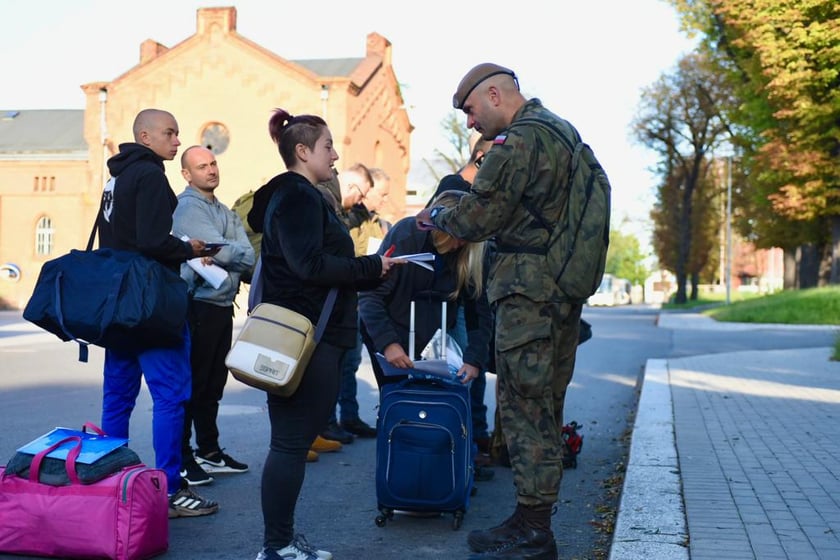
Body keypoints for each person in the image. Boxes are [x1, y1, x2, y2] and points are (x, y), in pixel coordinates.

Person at [416, 63, 594, 559]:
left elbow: (480, 215)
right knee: (544, 406)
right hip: (559, 291)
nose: (471, 123)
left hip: (527, 295)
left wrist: (436, 216)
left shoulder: (518, 142)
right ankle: (530, 517)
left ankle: (536, 530)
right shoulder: (563, 132)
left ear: (494, 94)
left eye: (472, 111)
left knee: (523, 408)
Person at [250, 108, 403, 560]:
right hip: (306, 335)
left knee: (290, 443)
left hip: (312, 333)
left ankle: (279, 542)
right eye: (328, 147)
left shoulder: (301, 194)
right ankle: (276, 545)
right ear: (302, 151)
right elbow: (309, 266)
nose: (336, 155)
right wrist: (371, 267)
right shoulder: (298, 196)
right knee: (290, 444)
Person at [97, 108, 219, 518]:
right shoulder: (149, 174)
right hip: (150, 304)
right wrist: (189, 249)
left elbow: (120, 238)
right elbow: (151, 240)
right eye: (170, 133)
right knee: (170, 396)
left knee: (117, 397)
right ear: (145, 137)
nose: (177, 140)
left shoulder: (116, 176)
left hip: (117, 302)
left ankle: (110, 484)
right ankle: (168, 490)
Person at [172, 145, 256, 486]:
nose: (211, 170)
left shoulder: (223, 209)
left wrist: (221, 251)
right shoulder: (188, 207)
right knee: (193, 383)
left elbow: (246, 256)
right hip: (199, 305)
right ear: (187, 174)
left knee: (212, 384)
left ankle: (209, 450)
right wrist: (222, 249)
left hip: (221, 306)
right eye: (202, 166)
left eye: (213, 163)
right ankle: (182, 457)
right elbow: (213, 247)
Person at [360, 189, 492, 391]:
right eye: (458, 235)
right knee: (398, 400)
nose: (461, 243)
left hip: (435, 342)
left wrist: (474, 358)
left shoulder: (470, 253)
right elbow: (371, 296)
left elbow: (478, 310)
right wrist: (388, 344)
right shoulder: (407, 234)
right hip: (392, 329)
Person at [319, 163, 386, 444]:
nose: (381, 200)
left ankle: (347, 416)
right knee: (338, 364)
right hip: (348, 297)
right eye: (378, 194)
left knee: (350, 362)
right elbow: (348, 256)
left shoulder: (373, 221)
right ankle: (327, 422)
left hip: (358, 297)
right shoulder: (344, 215)